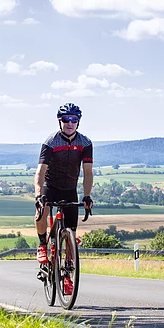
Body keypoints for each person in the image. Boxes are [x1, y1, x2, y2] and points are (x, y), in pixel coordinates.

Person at [34, 103, 93, 292]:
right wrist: (38, 195)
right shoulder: (51, 142)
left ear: (78, 122)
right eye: (66, 119)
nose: (70, 123)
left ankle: (67, 274)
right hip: (50, 186)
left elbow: (88, 173)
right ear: (60, 121)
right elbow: (40, 171)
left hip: (69, 189)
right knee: (42, 211)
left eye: (74, 119)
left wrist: (87, 196)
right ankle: (43, 244)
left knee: (71, 234)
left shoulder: (85, 143)